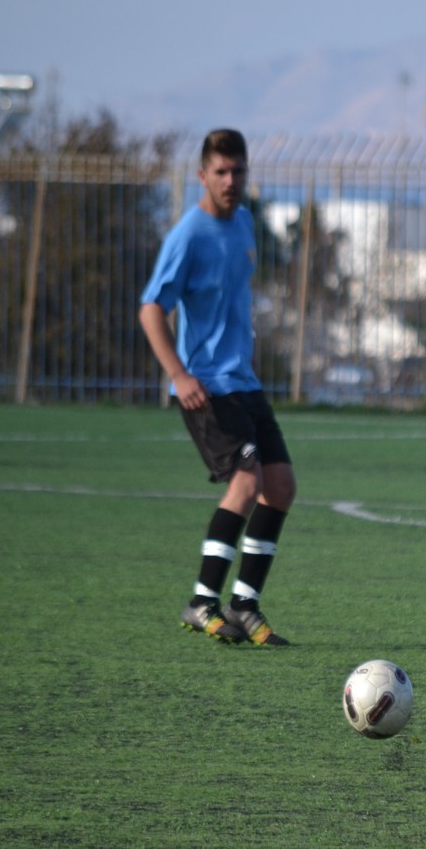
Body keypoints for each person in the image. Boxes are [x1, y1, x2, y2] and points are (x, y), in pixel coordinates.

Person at [139, 128, 293, 647]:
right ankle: (202, 600)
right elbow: (151, 309)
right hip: (206, 387)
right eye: (221, 172)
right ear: (202, 175)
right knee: (246, 482)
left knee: (281, 486)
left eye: (238, 171)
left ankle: (243, 605)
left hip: (243, 382)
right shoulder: (188, 235)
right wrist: (179, 375)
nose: (230, 181)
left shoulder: (244, 223)